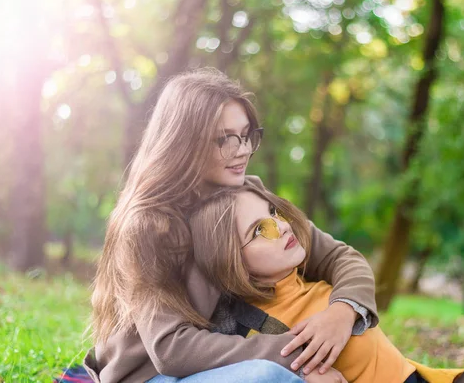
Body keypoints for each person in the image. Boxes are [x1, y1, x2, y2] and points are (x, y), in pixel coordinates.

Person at [84, 68, 379, 383]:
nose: (242, 150)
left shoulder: (249, 195)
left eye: (246, 135)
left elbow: (339, 257)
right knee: (268, 376)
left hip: (226, 359)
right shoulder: (148, 224)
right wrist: (301, 356)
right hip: (154, 376)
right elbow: (171, 349)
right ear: (184, 143)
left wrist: (342, 314)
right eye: (225, 139)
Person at [188, 186, 464, 383]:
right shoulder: (257, 333)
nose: (281, 226)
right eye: (260, 230)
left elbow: (349, 260)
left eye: (273, 213)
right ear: (233, 261)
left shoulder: (312, 280)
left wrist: (343, 309)